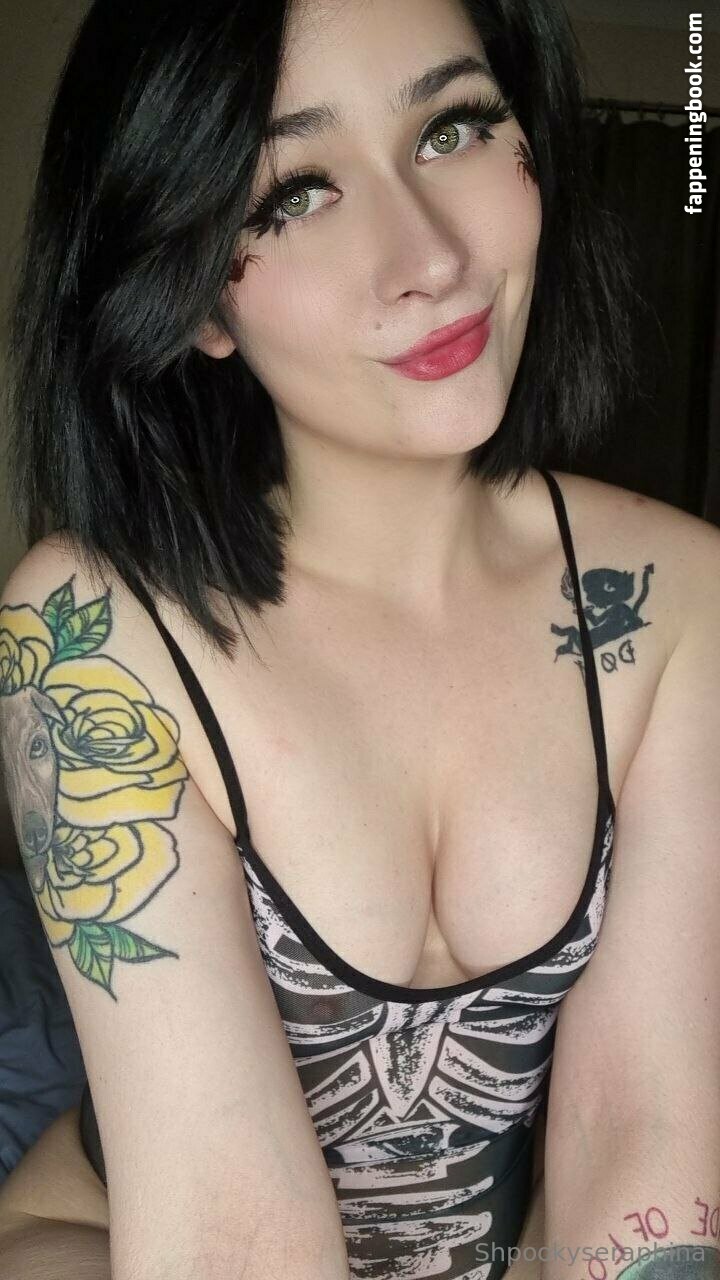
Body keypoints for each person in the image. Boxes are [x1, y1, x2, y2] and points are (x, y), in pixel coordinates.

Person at [1, 1, 719, 1278]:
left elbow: (640, 1135)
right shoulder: (92, 629)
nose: (428, 256)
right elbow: (225, 1230)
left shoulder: (682, 598)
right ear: (193, 295)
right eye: (296, 194)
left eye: (453, 128)